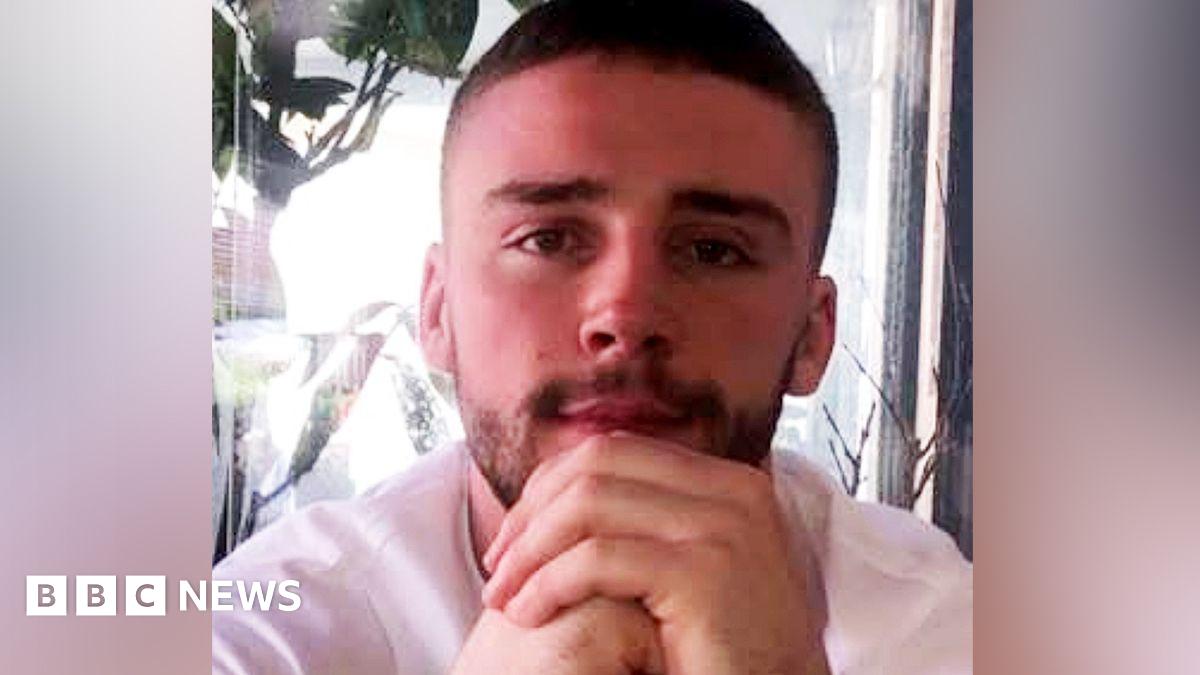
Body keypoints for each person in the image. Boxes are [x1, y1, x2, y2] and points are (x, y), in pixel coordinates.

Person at [212, 1, 972, 673]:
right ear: (438, 313)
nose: (626, 313)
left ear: (813, 333)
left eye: (715, 249)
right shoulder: (273, 623)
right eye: (548, 239)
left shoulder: (938, 628)